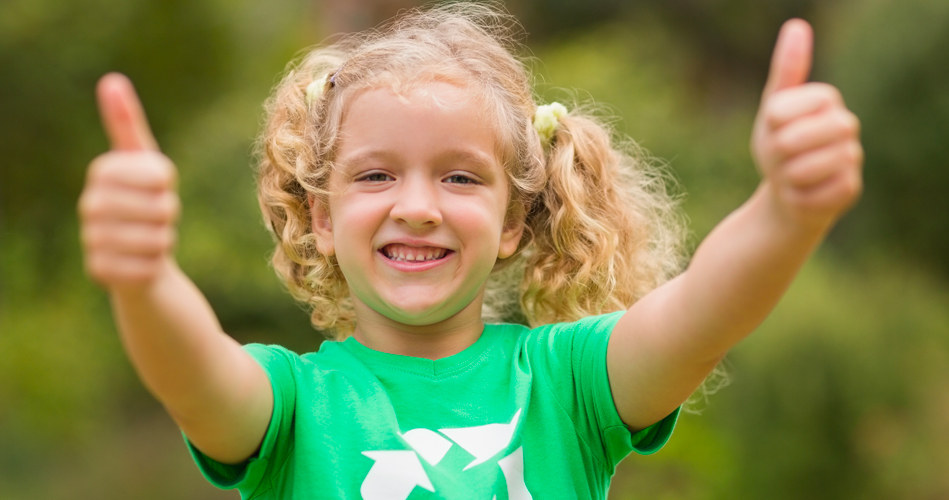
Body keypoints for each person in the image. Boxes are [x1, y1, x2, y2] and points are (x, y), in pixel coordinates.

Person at [77, 4, 863, 499]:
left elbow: (703, 311)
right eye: (376, 174)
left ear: (514, 221)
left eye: (459, 176)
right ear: (321, 216)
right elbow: (192, 373)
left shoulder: (570, 386)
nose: (416, 208)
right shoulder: (291, 403)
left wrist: (784, 212)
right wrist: (143, 280)